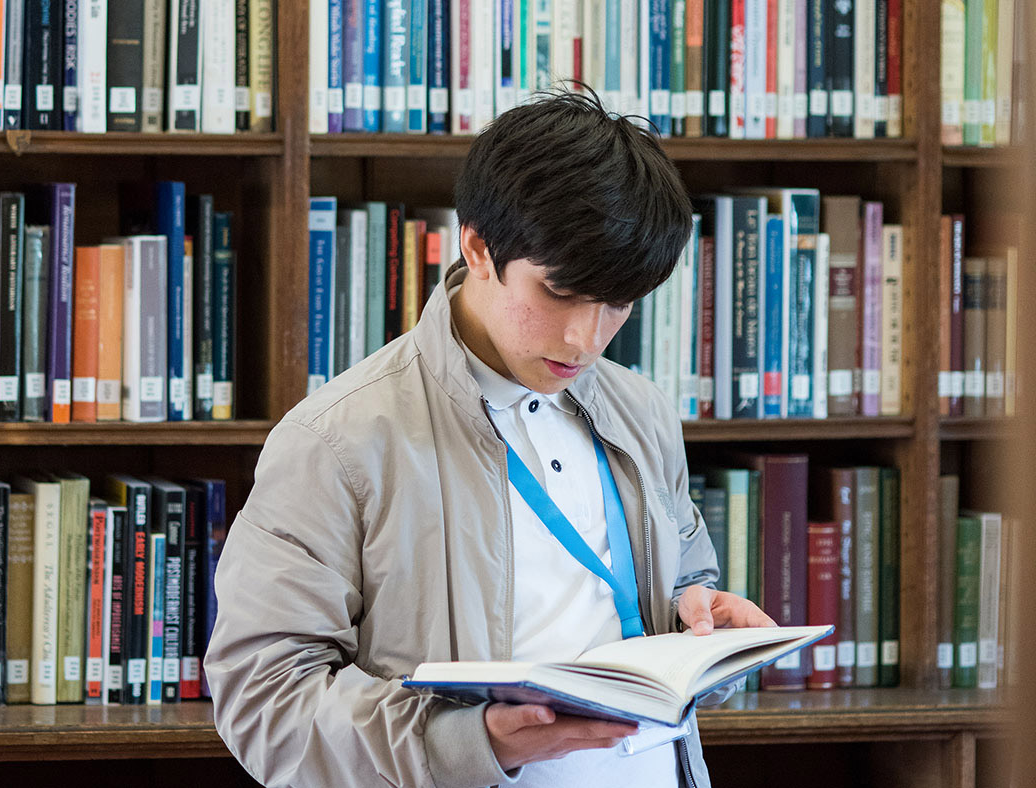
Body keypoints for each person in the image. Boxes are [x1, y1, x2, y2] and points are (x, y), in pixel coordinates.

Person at [205, 87, 775, 788]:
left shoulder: (641, 412)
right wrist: (474, 743)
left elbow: (682, 585)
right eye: (560, 293)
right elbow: (265, 701)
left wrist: (705, 623)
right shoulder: (338, 441)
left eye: (618, 304)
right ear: (477, 245)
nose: (585, 338)